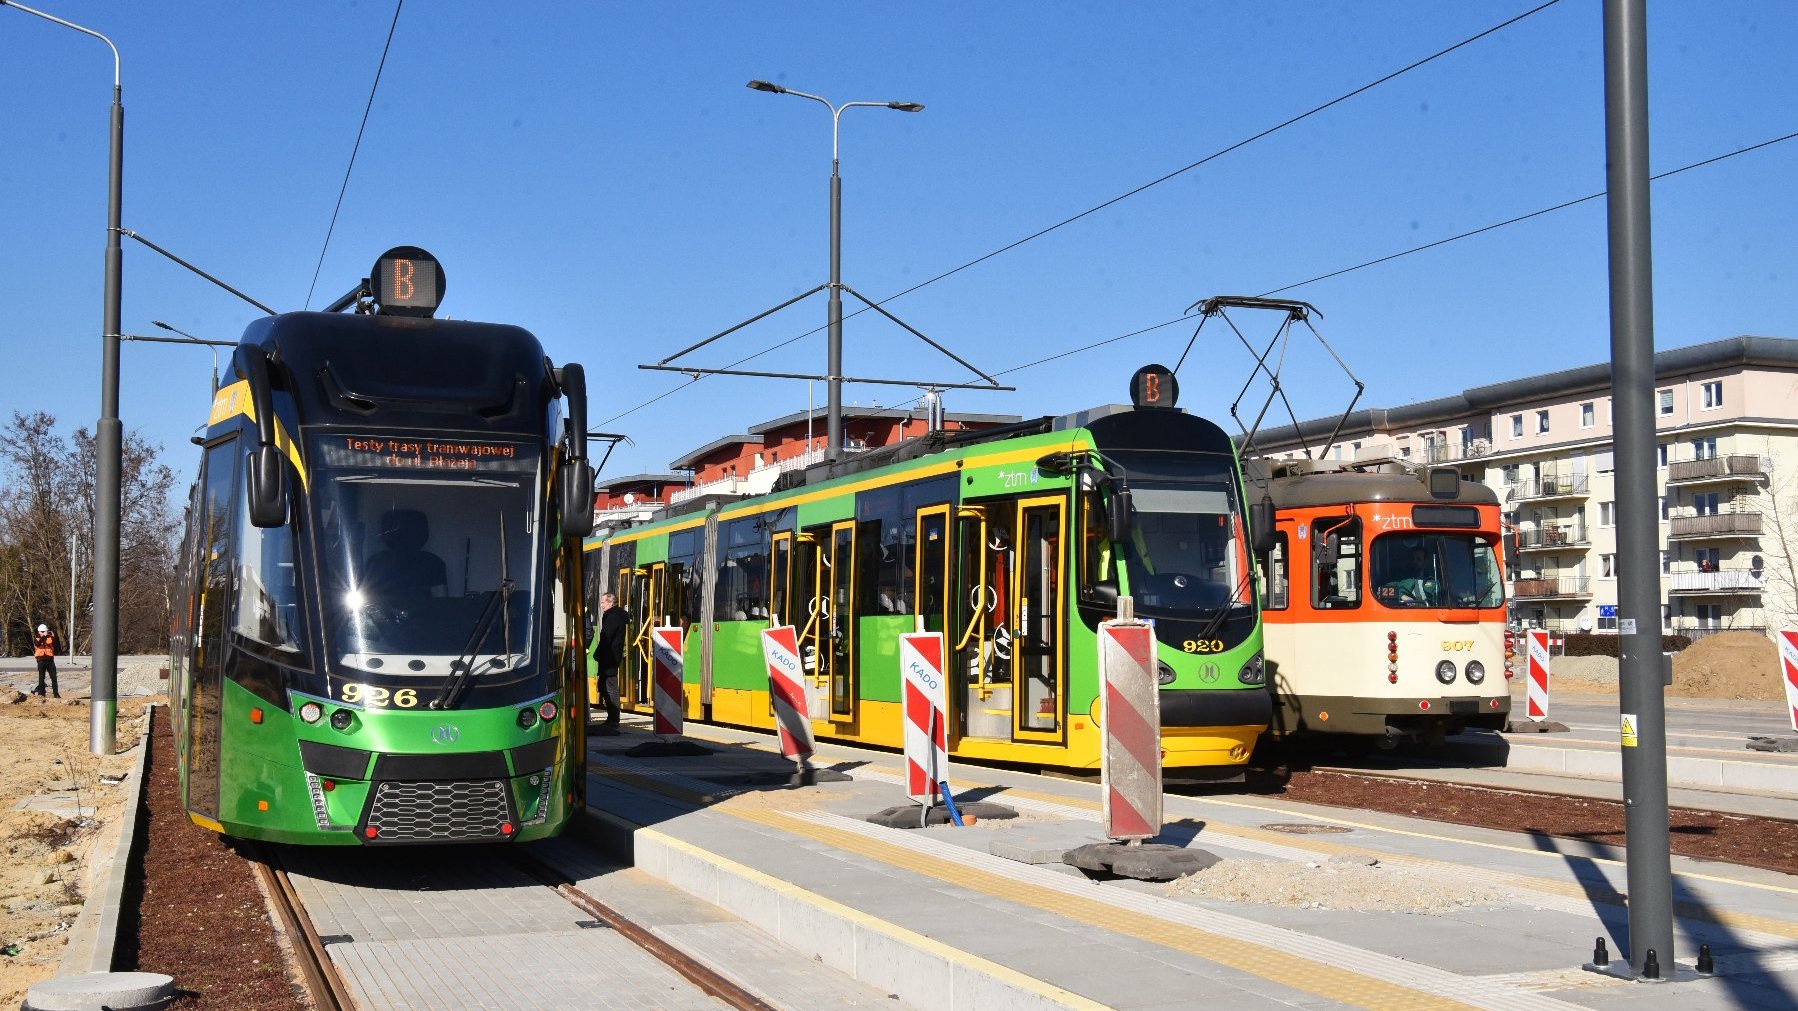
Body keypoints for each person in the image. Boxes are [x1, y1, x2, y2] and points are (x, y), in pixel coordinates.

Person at [362, 509, 448, 598]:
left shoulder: (433, 563)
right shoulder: (433, 562)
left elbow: (441, 602)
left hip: (421, 610)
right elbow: (441, 601)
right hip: (387, 611)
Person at [593, 592, 627, 734]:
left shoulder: (613, 617)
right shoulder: (615, 616)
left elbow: (606, 637)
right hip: (610, 657)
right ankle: (612, 718)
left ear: (611, 603)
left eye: (603, 603)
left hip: (610, 658)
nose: (601, 605)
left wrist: (598, 653)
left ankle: (614, 719)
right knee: (603, 686)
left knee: (609, 687)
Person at [32, 623, 61, 699]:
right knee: (41, 677)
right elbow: (38, 645)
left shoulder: (51, 638)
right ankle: (42, 694)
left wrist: (54, 637)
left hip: (50, 660)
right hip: (41, 661)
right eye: (43, 631)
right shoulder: (37, 639)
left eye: (46, 631)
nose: (45, 633)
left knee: (54, 677)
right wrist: (44, 637)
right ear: (39, 632)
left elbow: (57, 646)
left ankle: (56, 694)